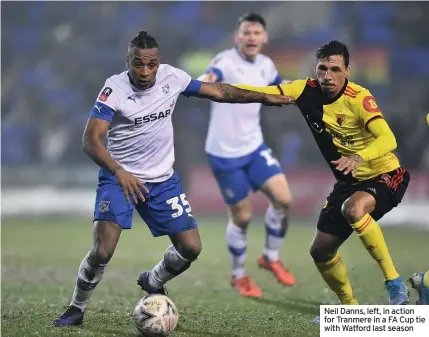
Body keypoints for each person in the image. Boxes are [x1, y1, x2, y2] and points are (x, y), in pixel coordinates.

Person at [53, 30, 292, 327]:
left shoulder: (172, 78)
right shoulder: (113, 89)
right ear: (128, 61)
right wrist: (118, 171)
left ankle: (153, 280)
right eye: (137, 64)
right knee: (103, 250)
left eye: (150, 65)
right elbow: (91, 140)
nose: (144, 72)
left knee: (191, 247)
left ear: (159, 62)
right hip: (120, 178)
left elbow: (221, 92)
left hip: (162, 180)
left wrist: (265, 97)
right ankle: (76, 308)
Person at [234, 40, 411, 319]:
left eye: (335, 69)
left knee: (353, 209)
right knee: (320, 250)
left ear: (347, 70)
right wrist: (204, 89)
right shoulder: (304, 89)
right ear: (315, 69)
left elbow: (388, 138)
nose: (328, 75)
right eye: (322, 68)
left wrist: (358, 157)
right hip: (349, 182)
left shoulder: (359, 97)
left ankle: (394, 283)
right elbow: (259, 92)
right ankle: (349, 308)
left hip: (385, 174)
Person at [197, 13, 295, 298]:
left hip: (254, 147)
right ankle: (239, 275)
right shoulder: (225, 61)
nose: (251, 38)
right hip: (224, 154)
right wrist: (199, 83)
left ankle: (270, 257)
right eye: (246, 33)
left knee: (284, 199)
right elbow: (209, 77)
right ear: (237, 37)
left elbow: (281, 84)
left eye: (256, 33)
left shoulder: (266, 65)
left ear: (264, 38)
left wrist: (305, 89)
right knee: (242, 218)